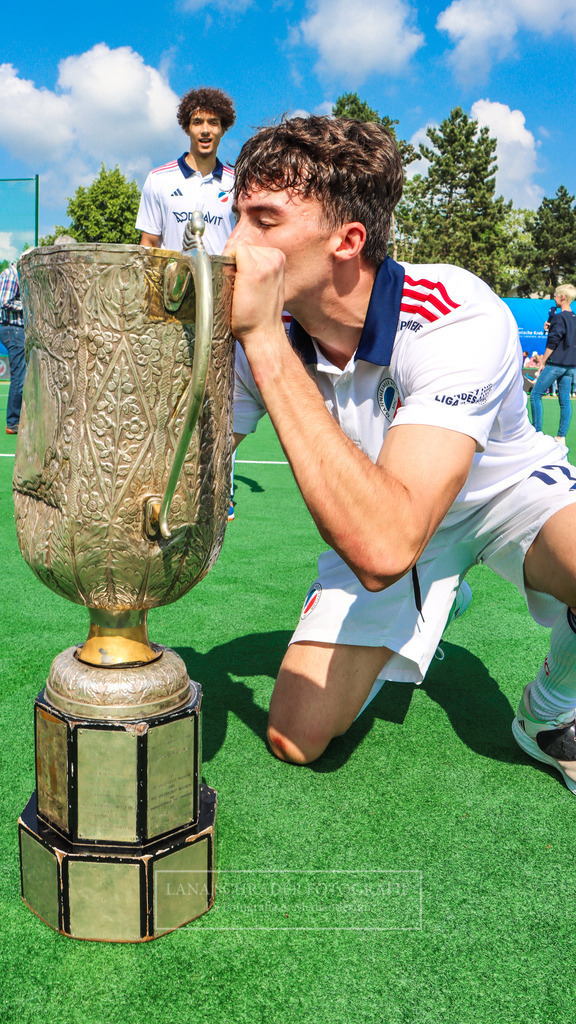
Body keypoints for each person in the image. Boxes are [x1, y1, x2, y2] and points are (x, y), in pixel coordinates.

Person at [226, 115, 576, 796]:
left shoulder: (454, 311)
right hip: (387, 512)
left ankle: (551, 712)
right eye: (235, 217)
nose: (235, 245)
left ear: (347, 240)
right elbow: (201, 472)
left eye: (263, 220)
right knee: (296, 737)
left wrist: (264, 336)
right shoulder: (255, 332)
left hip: (501, 495)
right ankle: (446, 596)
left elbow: (384, 546)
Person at [136, 86, 236, 256]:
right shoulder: (158, 179)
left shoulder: (238, 182)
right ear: (187, 128)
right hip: (173, 281)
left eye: (213, 122)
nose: (205, 130)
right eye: (197, 122)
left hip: (222, 281)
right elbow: (149, 244)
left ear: (223, 130)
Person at [530, 284, 576, 445]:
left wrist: (542, 361)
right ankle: (561, 437)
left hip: (556, 363)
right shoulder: (573, 318)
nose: (554, 297)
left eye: (556, 295)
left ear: (562, 297)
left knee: (536, 395)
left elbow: (553, 342)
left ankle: (537, 432)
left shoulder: (559, 317)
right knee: (565, 400)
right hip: (570, 366)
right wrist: (551, 328)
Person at [0, 261, 25, 435]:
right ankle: (13, 422)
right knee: (19, 375)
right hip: (13, 328)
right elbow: (5, 301)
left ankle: (16, 420)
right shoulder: (11, 275)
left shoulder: (12, 274)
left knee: (21, 374)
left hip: (13, 328)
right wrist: (27, 305)